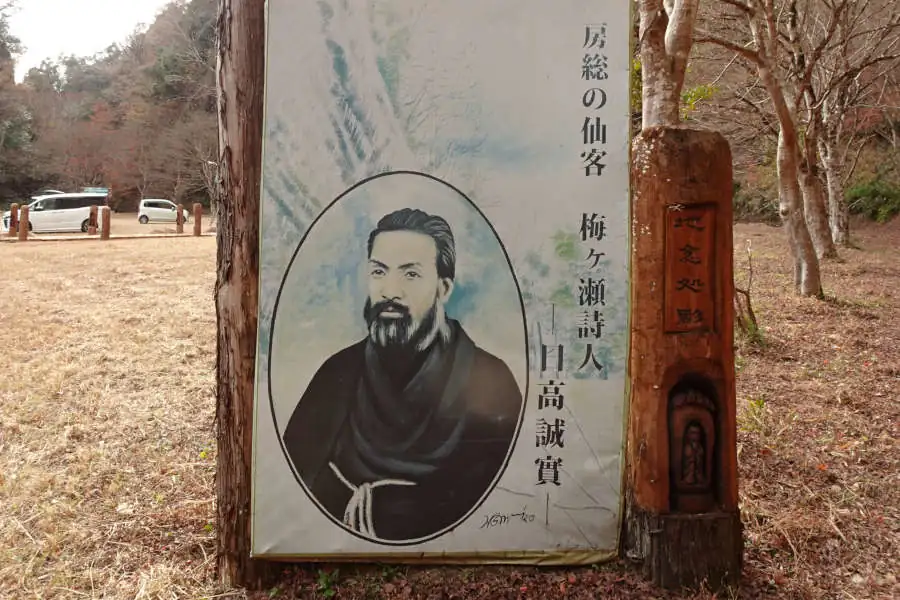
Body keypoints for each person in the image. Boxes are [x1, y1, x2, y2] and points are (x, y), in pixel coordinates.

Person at [282, 207, 522, 542]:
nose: (390, 291)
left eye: (410, 275)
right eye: (379, 272)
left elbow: (494, 496)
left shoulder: (490, 378)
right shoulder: (337, 373)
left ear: (444, 288)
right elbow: (295, 481)